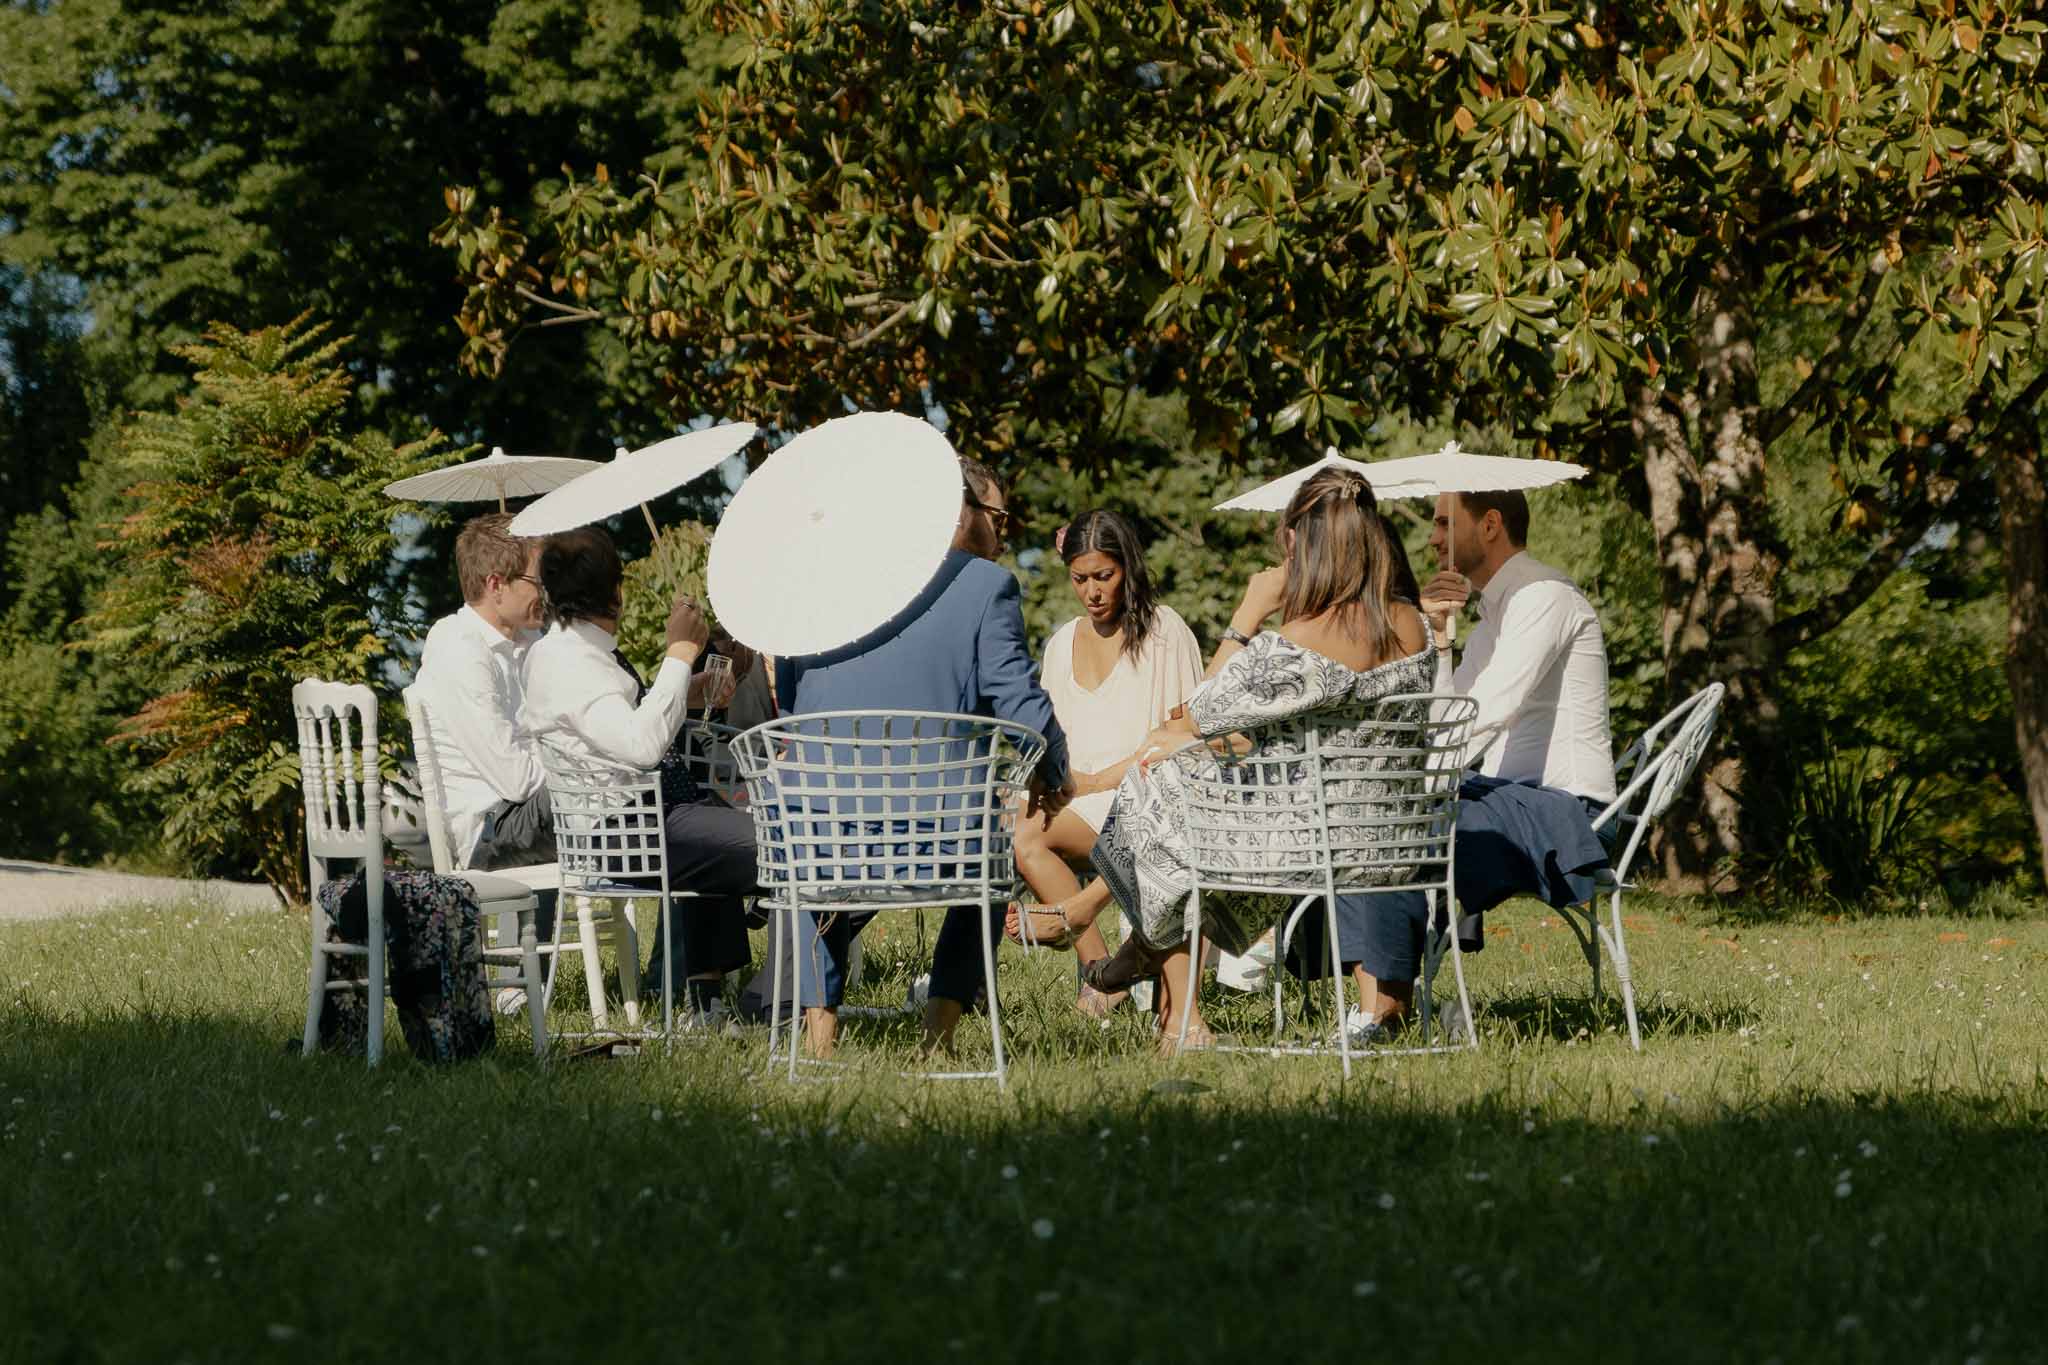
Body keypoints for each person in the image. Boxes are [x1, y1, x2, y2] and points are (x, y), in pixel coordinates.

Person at [1080, 468, 1437, 1053]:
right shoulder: (1411, 622)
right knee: (1177, 785)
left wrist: (1248, 615)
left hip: (1318, 846)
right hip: (1399, 845)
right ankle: (1138, 958)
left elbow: (1190, 714)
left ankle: (1160, 987)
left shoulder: (1307, 637)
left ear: (1301, 542)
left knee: (1159, 779)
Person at [774, 456, 1072, 1058]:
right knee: (992, 857)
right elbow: (1020, 703)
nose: (1003, 530)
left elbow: (790, 693)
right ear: (960, 509)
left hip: (821, 839)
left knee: (815, 850)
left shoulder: (819, 588)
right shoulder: (987, 586)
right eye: (997, 514)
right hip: (939, 842)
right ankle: (937, 1038)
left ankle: (819, 1038)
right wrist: (1056, 772)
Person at [1334, 487, 1616, 1043]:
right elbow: (1448, 718)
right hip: (1507, 795)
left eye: (1443, 522)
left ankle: (1386, 1008)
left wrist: (1413, 783)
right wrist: (1440, 641)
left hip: (1566, 809)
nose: (1433, 538)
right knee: (1362, 810)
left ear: (1489, 525)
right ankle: (1381, 997)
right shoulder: (1495, 610)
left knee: (1393, 818)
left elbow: (1489, 712)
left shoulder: (1542, 596)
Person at [518, 527, 759, 1029]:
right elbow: (643, 745)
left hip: (646, 816)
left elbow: (624, 717)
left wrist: (688, 689)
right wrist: (678, 653)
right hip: (624, 830)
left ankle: (708, 998)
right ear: (615, 591)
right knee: (778, 841)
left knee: (747, 822)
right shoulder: (568, 659)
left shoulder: (579, 651)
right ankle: (782, 993)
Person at [1002, 509, 1203, 1017]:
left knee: (1040, 830)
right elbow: (1048, 739)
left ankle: (1106, 981)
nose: (1092, 591)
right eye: (1080, 579)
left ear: (1127, 569)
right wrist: (1043, 780)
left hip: (1144, 790)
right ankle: (1103, 971)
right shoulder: (1060, 643)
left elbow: (1181, 740)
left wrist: (1095, 779)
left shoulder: (1164, 632)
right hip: (1077, 793)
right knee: (1019, 827)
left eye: (1104, 576)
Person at [413, 512, 551, 872]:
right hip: (490, 832)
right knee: (611, 788)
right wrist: (576, 757)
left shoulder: (528, 641)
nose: (546, 592)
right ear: (496, 585)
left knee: (639, 781)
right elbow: (517, 781)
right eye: (537, 581)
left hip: (528, 814)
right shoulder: (459, 647)